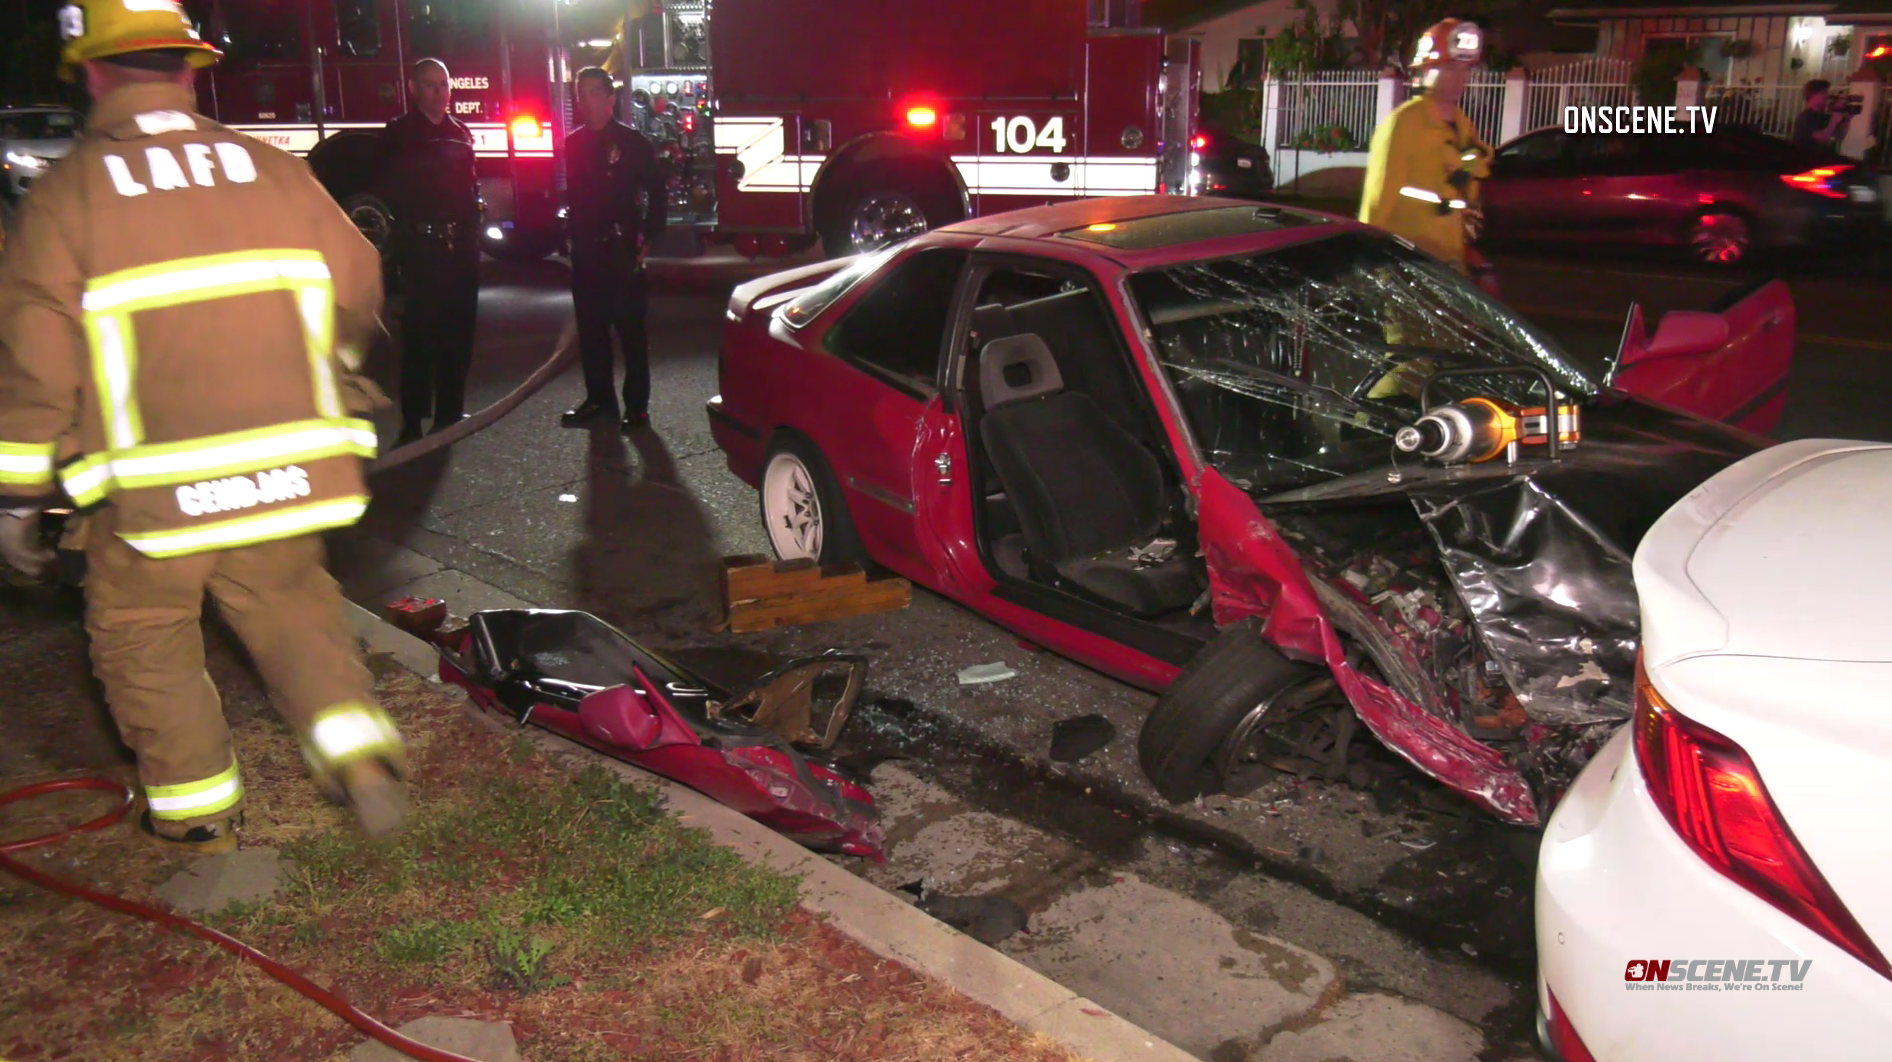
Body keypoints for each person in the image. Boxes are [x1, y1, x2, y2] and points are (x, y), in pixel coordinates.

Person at [0, 0, 408, 854]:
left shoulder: (67, 197)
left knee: (145, 636)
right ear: (188, 69)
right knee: (293, 608)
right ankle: (362, 760)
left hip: (149, 497)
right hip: (288, 469)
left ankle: (198, 819)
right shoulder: (270, 169)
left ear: (95, 72)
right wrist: (310, 366)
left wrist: (15, 497)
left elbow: (35, 366)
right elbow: (358, 281)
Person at [559, 67, 668, 431]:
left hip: (621, 250)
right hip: (587, 252)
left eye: (594, 92)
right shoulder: (572, 143)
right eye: (581, 92)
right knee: (591, 332)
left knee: (631, 334)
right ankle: (599, 400)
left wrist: (648, 236)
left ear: (610, 99)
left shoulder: (632, 143)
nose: (586, 100)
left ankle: (636, 408)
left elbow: (658, 191)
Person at [382, 58, 481, 445]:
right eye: (430, 85)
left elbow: (470, 190)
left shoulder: (461, 132)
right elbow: (390, 191)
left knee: (459, 332)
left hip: (460, 249)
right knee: (420, 336)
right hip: (423, 248)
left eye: (444, 85)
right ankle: (412, 421)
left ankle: (450, 413)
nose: (439, 92)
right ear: (413, 89)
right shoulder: (400, 134)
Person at [1359, 19, 1494, 284]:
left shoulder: (1463, 124)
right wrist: (1367, 264)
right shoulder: (1403, 124)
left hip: (1451, 265)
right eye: (1450, 68)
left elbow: (1474, 166)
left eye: (1465, 69)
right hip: (1408, 269)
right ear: (1427, 69)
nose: (1460, 78)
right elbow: (1376, 204)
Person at [1792, 79, 1850, 149]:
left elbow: (1839, 136)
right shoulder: (1805, 117)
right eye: (1823, 93)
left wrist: (1847, 120)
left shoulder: (1823, 115)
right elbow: (1822, 138)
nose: (1827, 96)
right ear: (1813, 95)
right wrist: (1834, 121)